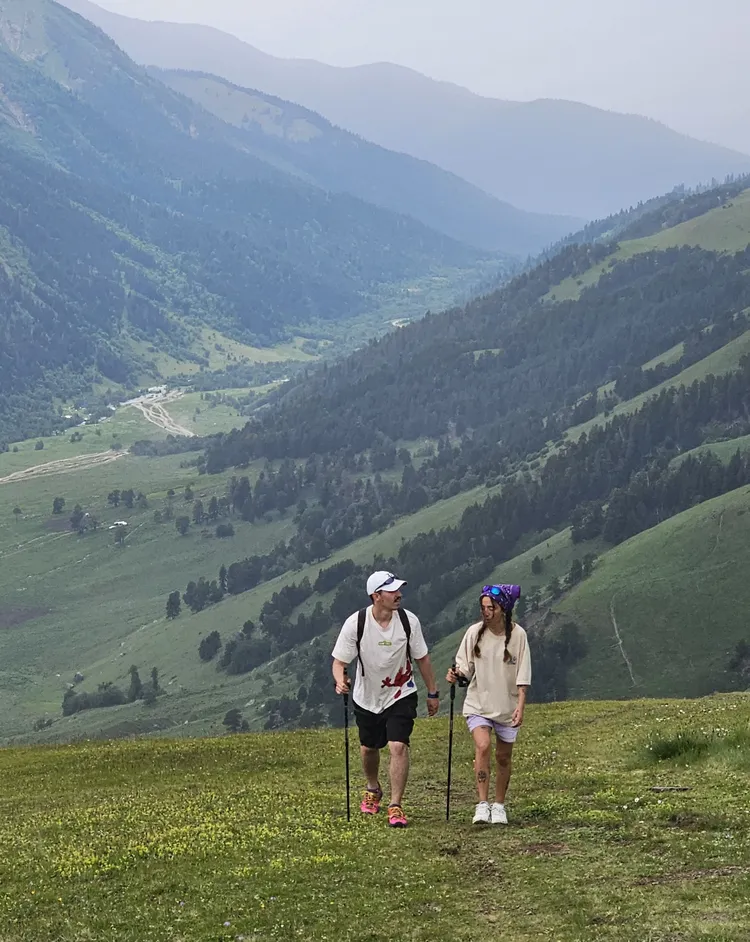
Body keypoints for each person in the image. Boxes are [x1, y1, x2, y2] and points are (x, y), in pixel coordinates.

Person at [332, 570, 440, 828]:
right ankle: (373, 788)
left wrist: (432, 692)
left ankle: (396, 804)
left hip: (401, 693)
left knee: (398, 746)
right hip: (366, 696)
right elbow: (339, 662)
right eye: (392, 591)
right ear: (376, 596)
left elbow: (422, 658)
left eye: (398, 590)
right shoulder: (356, 623)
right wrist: (340, 680)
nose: (399, 594)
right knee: (369, 748)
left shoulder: (408, 621)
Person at [447, 584, 531, 825]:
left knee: (503, 757)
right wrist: (457, 674)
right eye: (483, 607)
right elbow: (465, 667)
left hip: (507, 705)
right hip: (479, 703)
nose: (486, 612)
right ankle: (482, 803)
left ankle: (499, 804)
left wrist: (521, 705)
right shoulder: (474, 633)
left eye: (491, 608)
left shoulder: (518, 635)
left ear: (503, 609)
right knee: (483, 746)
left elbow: (523, 674)